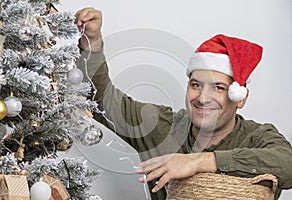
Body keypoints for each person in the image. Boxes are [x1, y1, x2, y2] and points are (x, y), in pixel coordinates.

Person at [74, 7, 292, 200]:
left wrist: (198, 162)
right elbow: (100, 98)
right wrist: (92, 42)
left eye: (218, 88)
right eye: (196, 85)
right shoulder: (162, 128)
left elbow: (288, 165)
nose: (203, 98)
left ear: (240, 97)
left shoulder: (258, 138)